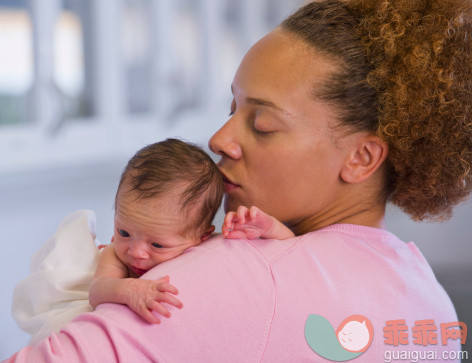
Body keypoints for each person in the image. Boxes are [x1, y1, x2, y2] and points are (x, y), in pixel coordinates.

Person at [7, 0, 471, 361]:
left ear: (361, 157)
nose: (219, 138)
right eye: (233, 109)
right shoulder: (428, 299)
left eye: (262, 123)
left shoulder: (240, 270)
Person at [11, 138, 223, 342]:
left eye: (157, 244)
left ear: (201, 237)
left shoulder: (205, 247)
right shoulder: (114, 255)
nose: (135, 252)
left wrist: (245, 223)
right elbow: (97, 290)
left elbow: (226, 243)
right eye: (124, 232)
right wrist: (129, 289)